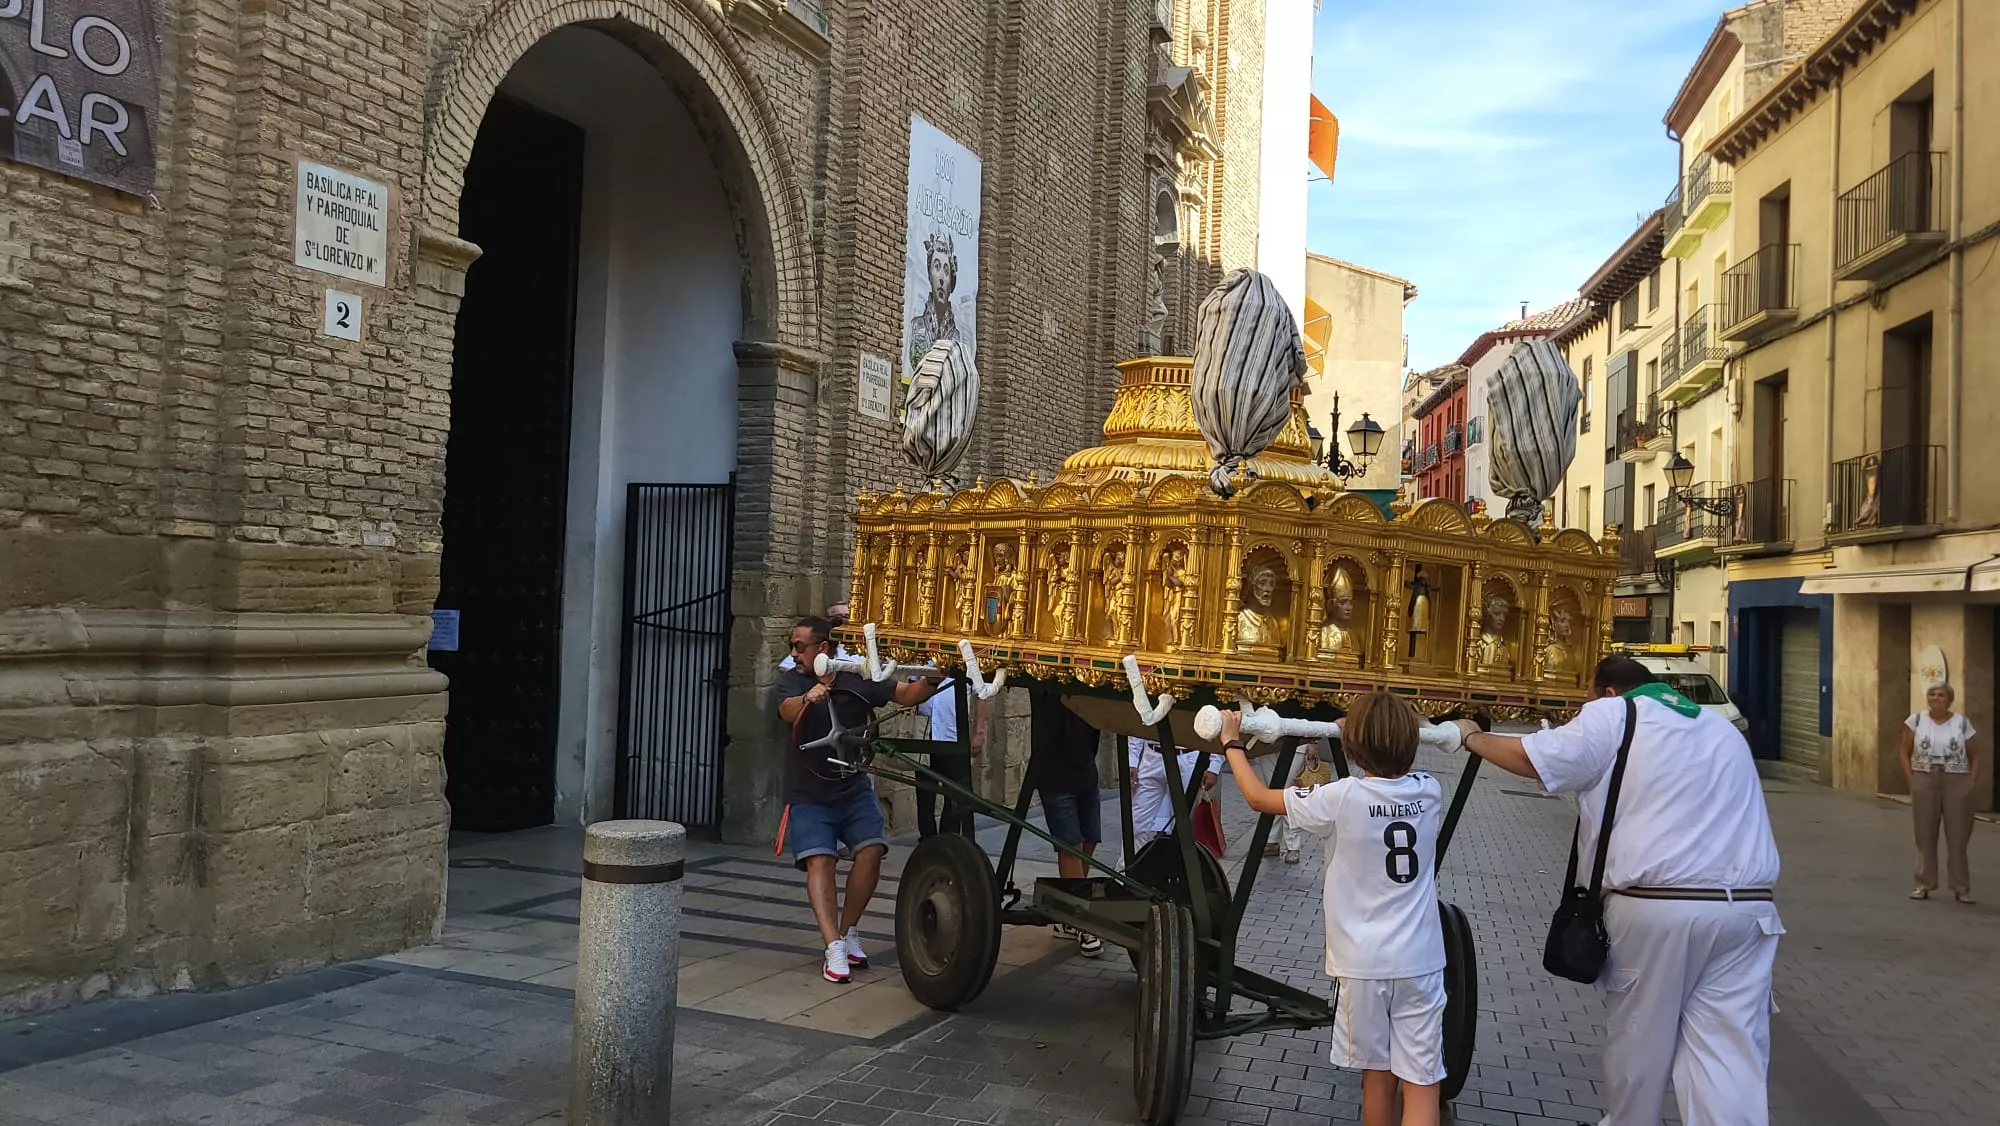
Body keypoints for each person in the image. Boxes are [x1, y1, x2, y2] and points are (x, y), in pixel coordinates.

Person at [1446, 656, 1783, 1126]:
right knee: (1729, 1054)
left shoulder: (1615, 713)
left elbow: (1534, 759)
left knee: (1639, 1045)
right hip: (1748, 912)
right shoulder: (1718, 727)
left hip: (1659, 908)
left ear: (1605, 691)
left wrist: (1470, 736)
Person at [1220, 691, 1446, 1126]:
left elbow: (1257, 798)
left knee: (1376, 1076)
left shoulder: (1341, 797)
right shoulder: (1429, 792)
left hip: (1362, 965)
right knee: (1422, 1082)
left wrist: (1232, 743)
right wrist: (1362, 737)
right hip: (1420, 961)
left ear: (1354, 748)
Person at [776, 617, 939, 984]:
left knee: (871, 851)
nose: (793, 653)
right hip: (809, 790)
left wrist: (934, 676)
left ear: (824, 649)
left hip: (851, 788)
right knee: (821, 860)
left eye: (800, 646)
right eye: (793, 645)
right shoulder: (793, 679)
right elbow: (786, 709)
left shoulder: (854, 678)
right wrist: (807, 698)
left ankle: (848, 931)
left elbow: (905, 695)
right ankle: (832, 945)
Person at [1029, 688, 1107, 957]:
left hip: (1085, 767)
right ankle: (1081, 920)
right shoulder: (1045, 683)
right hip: (1055, 771)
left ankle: (1070, 913)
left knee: (1089, 839)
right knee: (1070, 845)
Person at [1901, 682, 1980, 904]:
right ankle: (1923, 884)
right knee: (1924, 834)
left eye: (1941, 695)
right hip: (1925, 776)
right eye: (1932, 694)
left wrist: (1970, 783)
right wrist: (1912, 780)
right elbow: (1903, 751)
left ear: (1950, 699)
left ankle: (1961, 888)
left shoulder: (1961, 723)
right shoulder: (1916, 721)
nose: (1936, 698)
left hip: (1956, 778)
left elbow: (1976, 754)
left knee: (1958, 836)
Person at [1126, 735, 1219, 845]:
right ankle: (1130, 861)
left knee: (1184, 824)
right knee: (1137, 822)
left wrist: (1215, 765)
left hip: (1187, 757)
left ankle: (1180, 860)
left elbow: (1218, 722)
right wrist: (1132, 759)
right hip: (1152, 756)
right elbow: (1137, 722)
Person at [780, 602, 852, 672]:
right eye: (838, 617)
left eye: (847, 616)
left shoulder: (858, 649)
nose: (843, 620)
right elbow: (787, 667)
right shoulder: (814, 644)